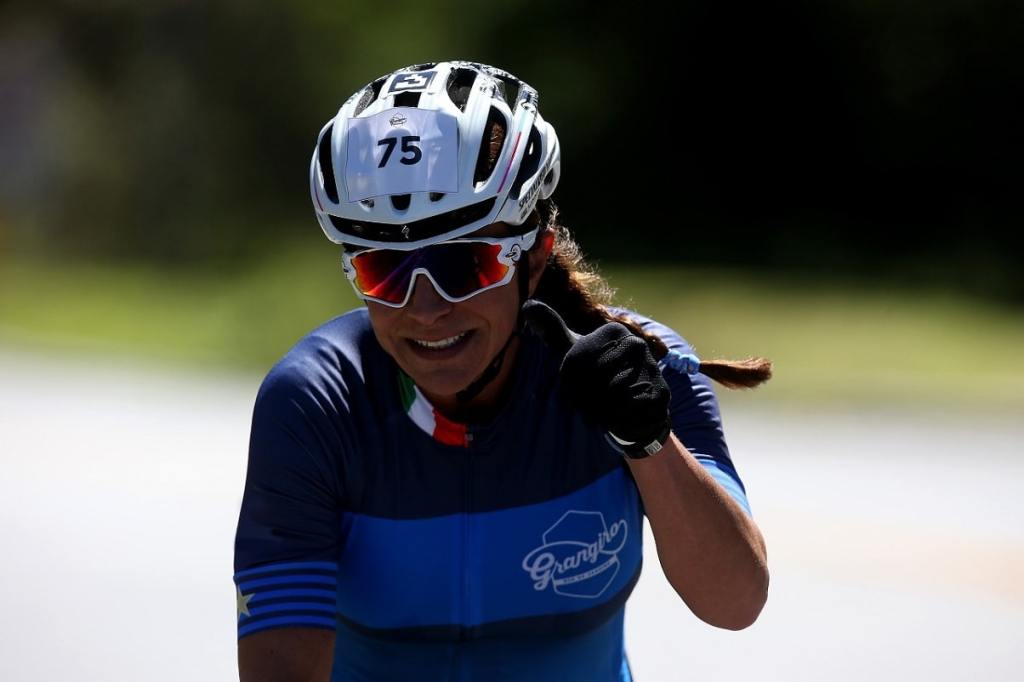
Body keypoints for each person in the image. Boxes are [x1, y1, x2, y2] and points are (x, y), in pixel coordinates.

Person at [233, 60, 771, 682]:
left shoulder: (635, 371)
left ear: (534, 258)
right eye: (384, 271)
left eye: (462, 266)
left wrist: (648, 441)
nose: (426, 309)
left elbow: (736, 602)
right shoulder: (317, 404)